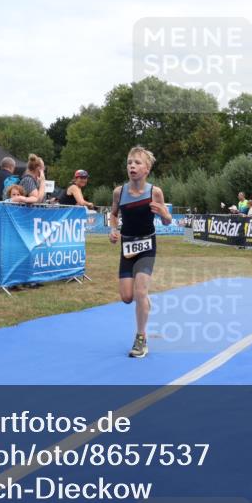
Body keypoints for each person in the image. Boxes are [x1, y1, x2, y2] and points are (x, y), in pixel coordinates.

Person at [109, 146, 172, 358]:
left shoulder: (155, 192)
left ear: (147, 169)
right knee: (128, 297)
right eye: (129, 162)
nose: (132, 166)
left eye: (137, 163)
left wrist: (164, 212)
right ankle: (143, 300)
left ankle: (141, 338)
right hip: (127, 247)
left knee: (140, 292)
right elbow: (114, 214)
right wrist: (113, 229)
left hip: (147, 245)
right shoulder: (119, 192)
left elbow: (167, 220)